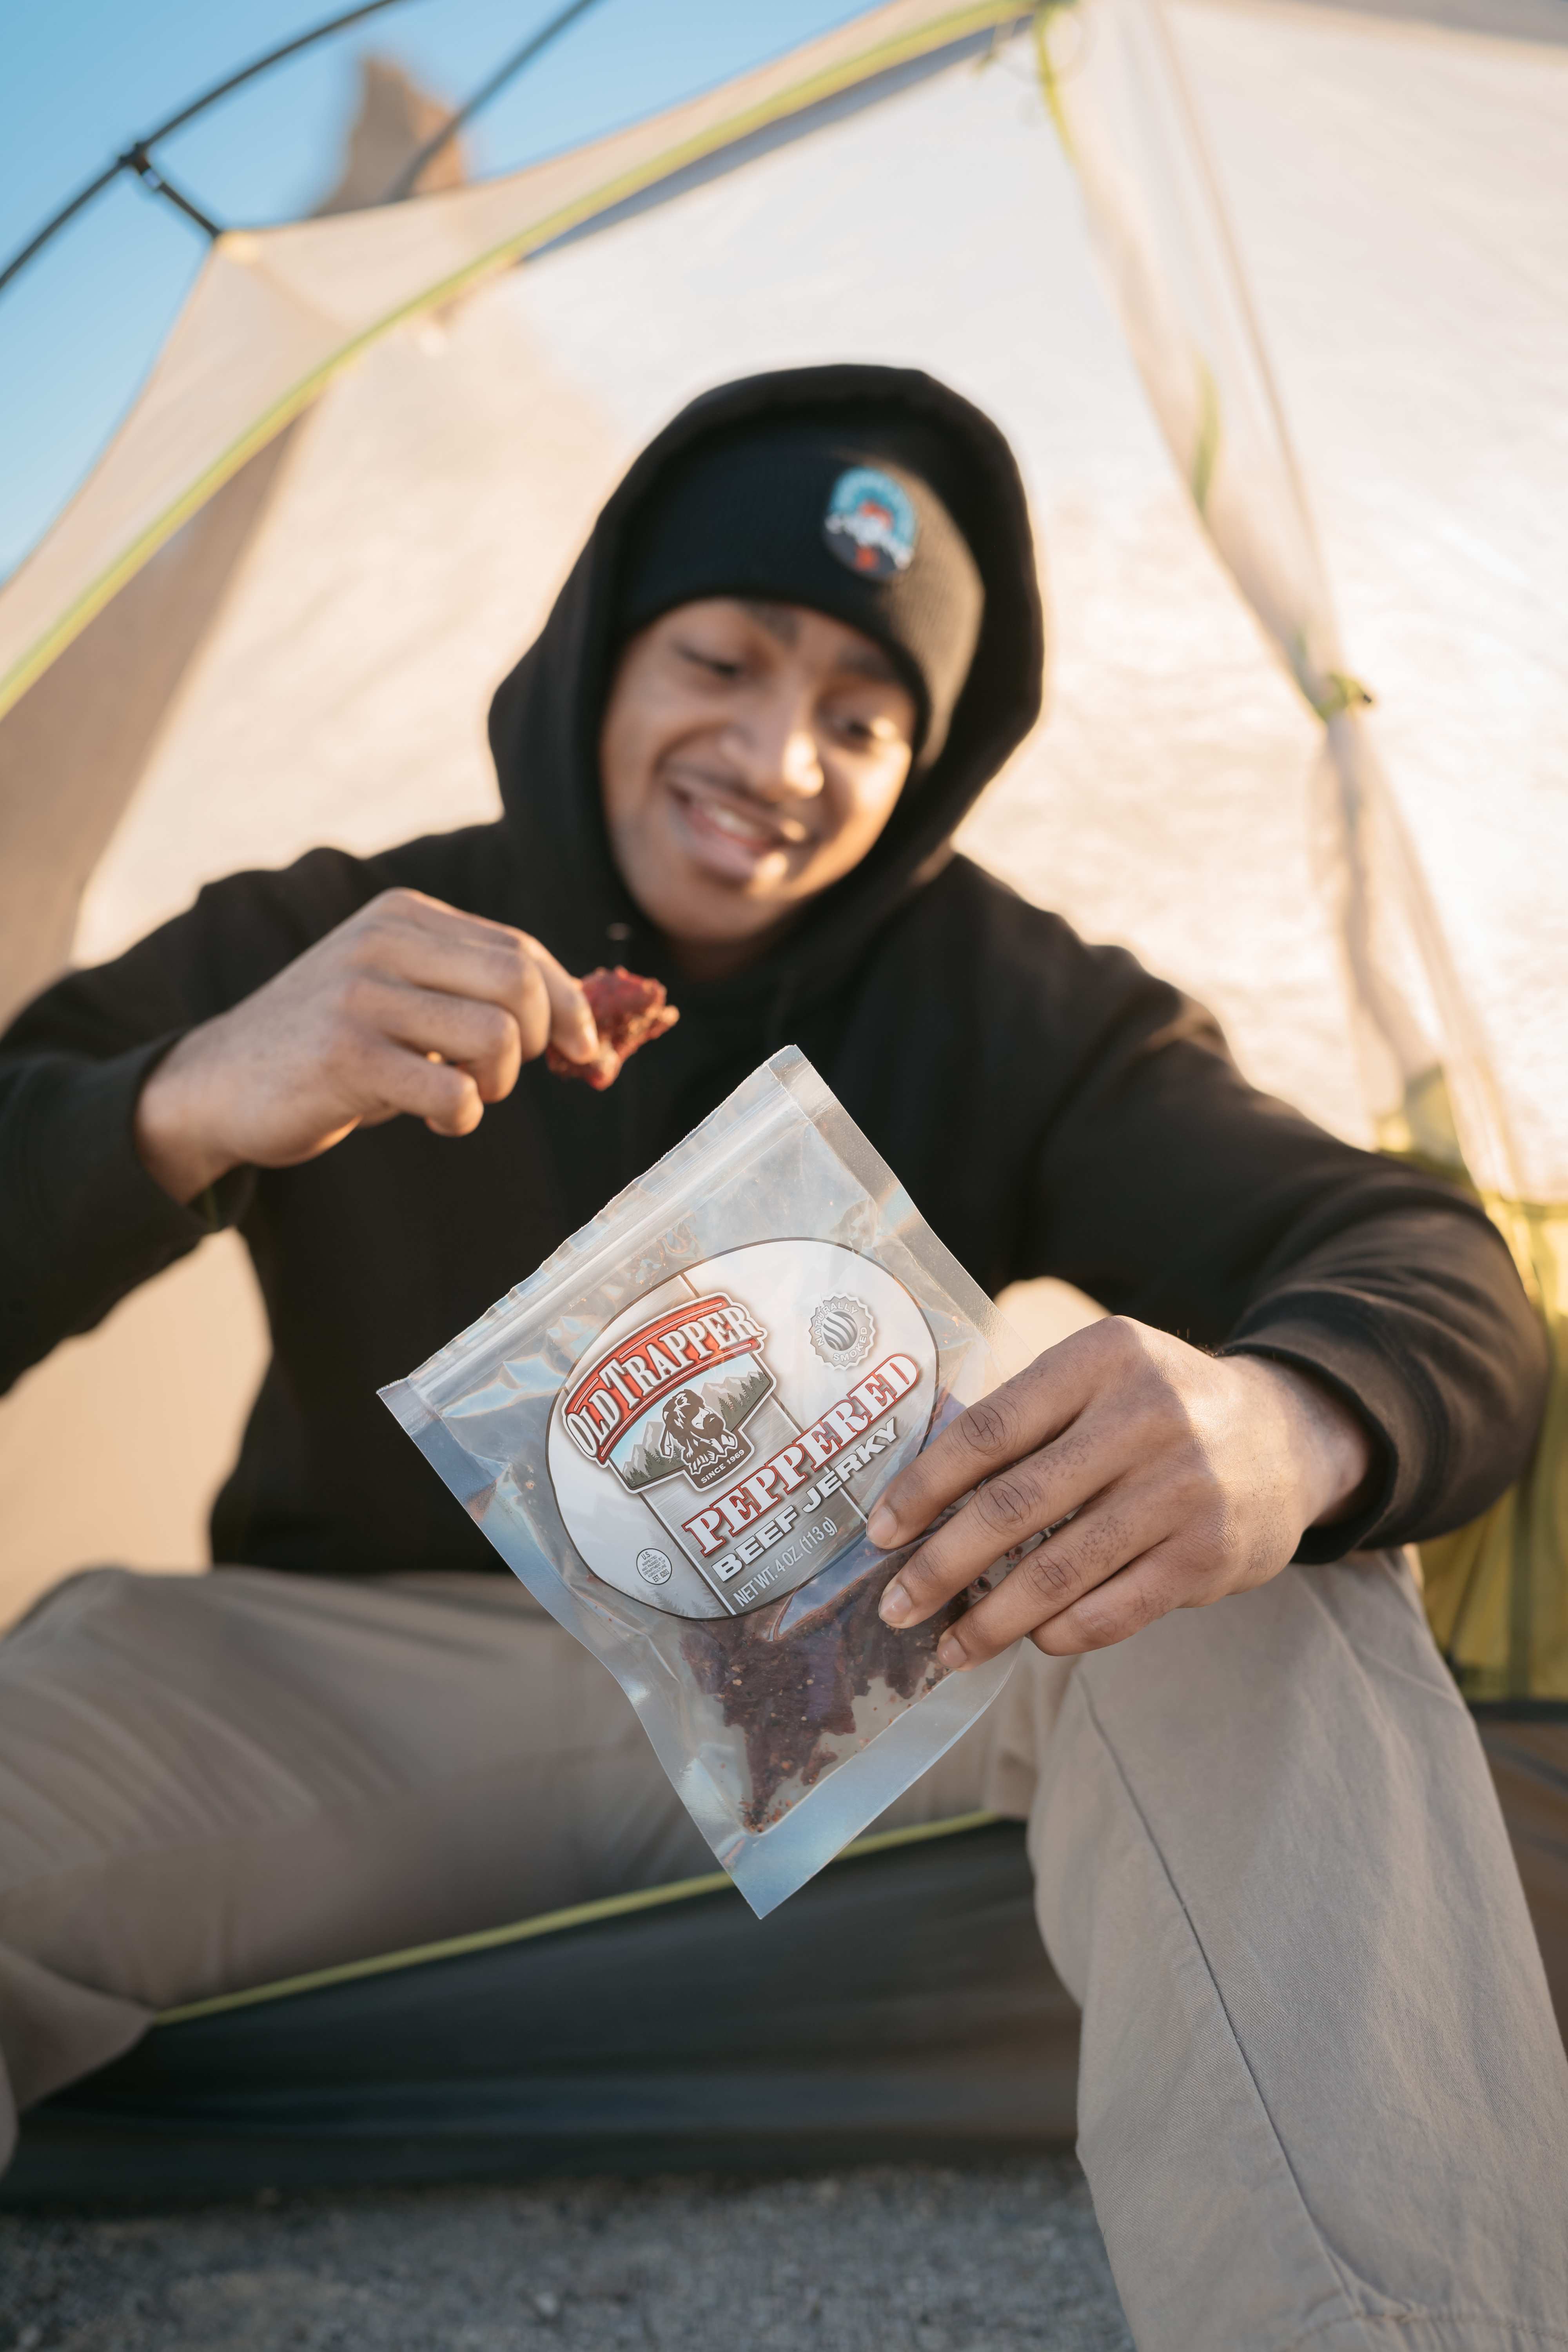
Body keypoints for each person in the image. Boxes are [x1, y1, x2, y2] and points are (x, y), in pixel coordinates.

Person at [0, 364, 1563, 2344]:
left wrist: (1294, 1420)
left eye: (861, 715)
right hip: (363, 1688)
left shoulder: (1008, 998)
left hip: (858, 1673)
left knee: (1258, 1570)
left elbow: (1409, 1255)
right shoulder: (326, 941)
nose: (779, 758)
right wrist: (171, 1103)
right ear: (595, 656)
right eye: (721, 660)